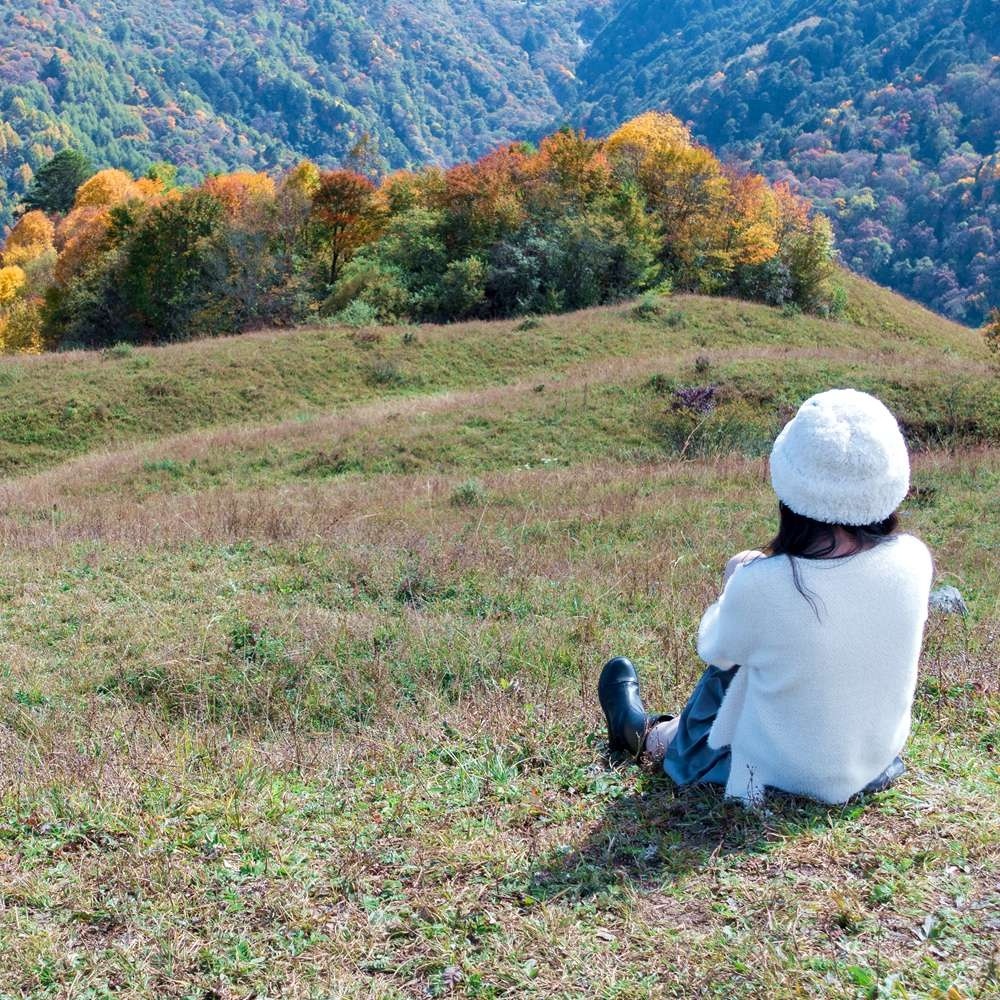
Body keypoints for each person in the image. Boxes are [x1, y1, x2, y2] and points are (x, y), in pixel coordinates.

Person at [598, 388, 934, 806]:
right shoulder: (914, 560)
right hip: (872, 764)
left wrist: (736, 581)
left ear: (788, 486)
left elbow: (716, 650)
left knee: (721, 692)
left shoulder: (763, 583)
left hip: (776, 773)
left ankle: (648, 734)